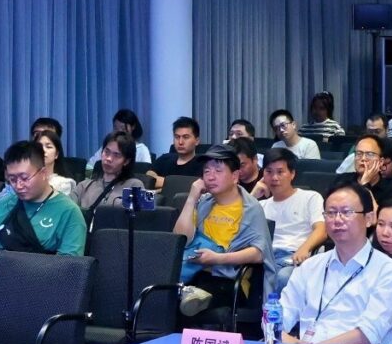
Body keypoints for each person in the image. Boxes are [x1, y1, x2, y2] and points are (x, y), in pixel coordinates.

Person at [276, 184, 392, 344]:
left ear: (368, 218)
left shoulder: (388, 271)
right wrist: (283, 338)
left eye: (347, 212)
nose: (337, 220)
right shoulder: (310, 266)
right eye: (331, 213)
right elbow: (277, 316)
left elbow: (368, 334)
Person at [173, 144, 270, 322]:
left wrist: (217, 259)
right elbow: (181, 240)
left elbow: (258, 253)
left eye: (218, 171)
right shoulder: (203, 203)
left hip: (229, 280)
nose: (211, 177)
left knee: (183, 306)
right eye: (207, 171)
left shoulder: (250, 209)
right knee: (161, 296)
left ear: (234, 176)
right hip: (193, 272)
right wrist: (191, 198)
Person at [0, 141, 89, 277]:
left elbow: (68, 270)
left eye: (24, 178)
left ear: (43, 173)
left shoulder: (69, 212)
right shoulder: (4, 203)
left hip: (28, 286)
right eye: (12, 179)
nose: (18, 186)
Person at [253, 148, 324, 273]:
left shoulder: (311, 197)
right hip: (264, 258)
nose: (274, 177)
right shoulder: (260, 205)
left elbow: (322, 229)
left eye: (280, 172)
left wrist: (304, 248)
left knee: (283, 276)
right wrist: (252, 196)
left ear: (292, 174)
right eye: (269, 171)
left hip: (295, 256)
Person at [73, 132, 152, 218]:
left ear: (126, 161)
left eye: (116, 155)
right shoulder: (84, 186)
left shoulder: (135, 185)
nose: (109, 159)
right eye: (106, 152)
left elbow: (143, 222)